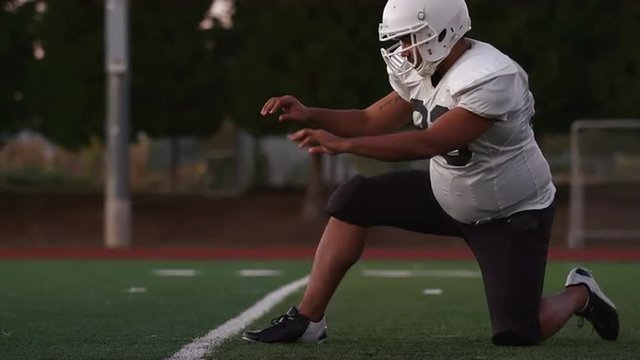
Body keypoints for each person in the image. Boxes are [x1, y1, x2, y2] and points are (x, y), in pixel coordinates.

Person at [242, 0, 619, 346]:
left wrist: (343, 145)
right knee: (354, 199)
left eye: (411, 39)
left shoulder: (491, 75)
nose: (405, 50)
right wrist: (311, 112)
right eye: (400, 41)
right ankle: (308, 320)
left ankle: (580, 293)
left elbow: (428, 143)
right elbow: (370, 119)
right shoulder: (425, 68)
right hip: (448, 192)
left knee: (519, 332)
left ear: (444, 31)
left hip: (509, 213)